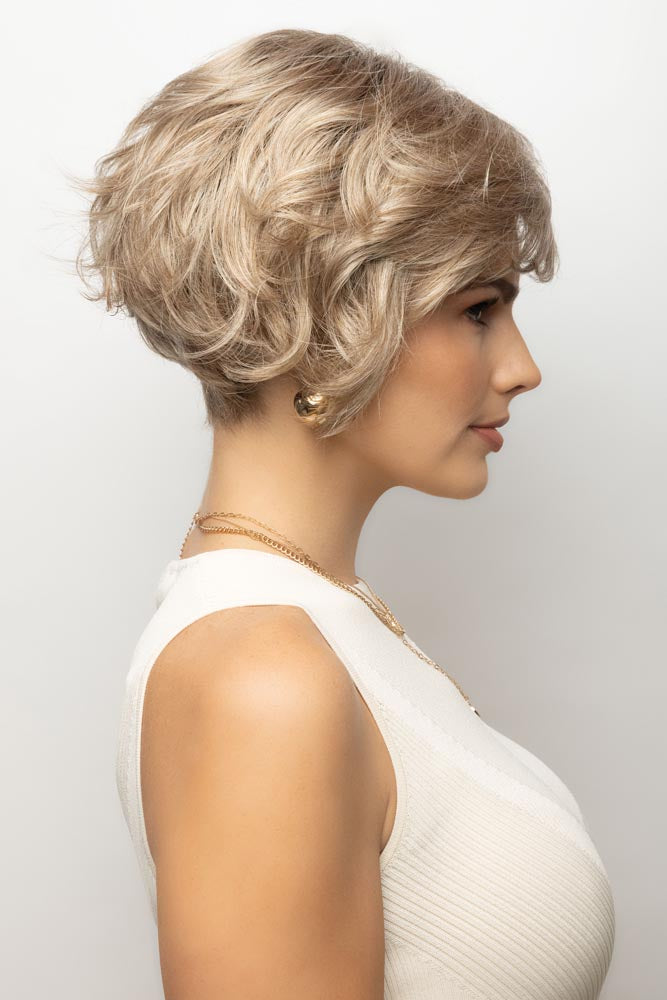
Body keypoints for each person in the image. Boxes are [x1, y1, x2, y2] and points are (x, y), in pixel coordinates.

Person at [75, 27, 615, 1000]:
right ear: (325, 313)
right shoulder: (259, 678)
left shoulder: (318, 622)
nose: (521, 368)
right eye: (478, 308)